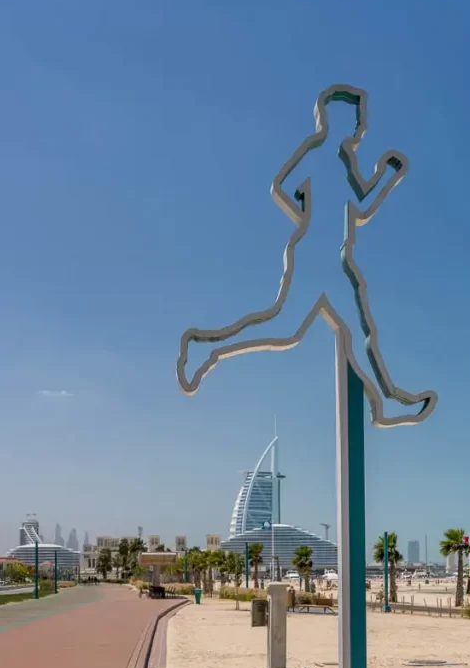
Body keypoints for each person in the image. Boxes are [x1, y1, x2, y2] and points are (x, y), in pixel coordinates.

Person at [177, 85, 436, 428]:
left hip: (336, 262)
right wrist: (306, 210)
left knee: (360, 333)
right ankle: (207, 349)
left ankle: (386, 402)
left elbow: (360, 206)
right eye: (358, 121)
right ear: (338, 121)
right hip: (316, 256)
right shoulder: (317, 155)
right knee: (284, 329)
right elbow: (280, 185)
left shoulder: (346, 162)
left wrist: (386, 177)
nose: (363, 128)